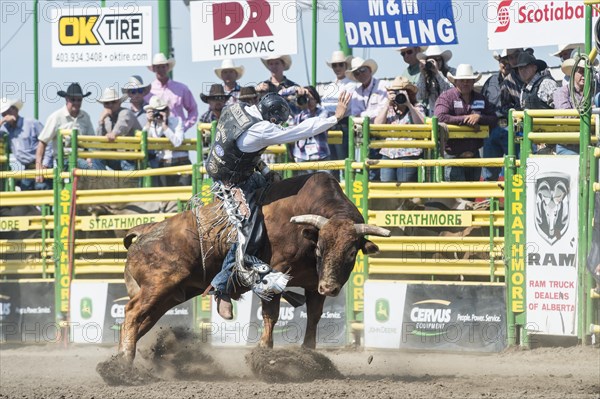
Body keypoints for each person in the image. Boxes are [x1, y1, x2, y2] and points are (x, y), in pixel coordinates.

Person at [204, 91, 352, 319]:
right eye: (277, 121)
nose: (278, 124)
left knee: (278, 197)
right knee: (249, 230)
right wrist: (335, 118)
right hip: (233, 182)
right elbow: (300, 131)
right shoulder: (262, 129)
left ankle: (267, 267)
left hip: (232, 170)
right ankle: (221, 288)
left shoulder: (238, 108)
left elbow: (239, 147)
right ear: (272, 118)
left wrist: (264, 170)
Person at [434, 64, 497, 182]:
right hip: (453, 154)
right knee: (458, 196)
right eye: (462, 80)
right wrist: (466, 119)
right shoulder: (447, 97)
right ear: (455, 82)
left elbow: (493, 119)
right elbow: (440, 116)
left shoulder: (480, 98)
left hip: (474, 155)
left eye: (468, 80)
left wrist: (479, 117)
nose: (465, 83)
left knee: (470, 196)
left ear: (473, 82)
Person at [35, 83, 102, 184]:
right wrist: (38, 168)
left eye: (79, 100)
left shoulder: (85, 117)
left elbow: (91, 141)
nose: (76, 102)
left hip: (82, 158)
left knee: (99, 165)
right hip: (65, 160)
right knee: (95, 170)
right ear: (66, 99)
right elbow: (42, 142)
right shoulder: (56, 117)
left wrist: (89, 157)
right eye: (73, 99)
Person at [373, 77, 425, 183]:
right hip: (388, 153)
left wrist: (408, 104)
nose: (398, 94)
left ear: (409, 93)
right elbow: (377, 124)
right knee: (387, 187)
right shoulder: (389, 109)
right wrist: (388, 103)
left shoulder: (416, 107)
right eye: (395, 92)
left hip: (409, 154)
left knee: (405, 188)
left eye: (402, 92)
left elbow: (421, 124)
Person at [346, 57, 389, 181]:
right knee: (364, 169)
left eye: (362, 70)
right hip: (363, 136)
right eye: (356, 72)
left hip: (381, 135)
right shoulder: (357, 92)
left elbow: (383, 110)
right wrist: (371, 115)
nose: (360, 74)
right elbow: (355, 115)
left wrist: (363, 115)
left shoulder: (383, 86)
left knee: (379, 169)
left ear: (370, 70)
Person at [318, 50, 357, 170]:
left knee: (343, 160)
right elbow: (329, 105)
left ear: (346, 66)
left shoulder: (351, 84)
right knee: (333, 161)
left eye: (340, 64)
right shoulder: (333, 85)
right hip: (332, 125)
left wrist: (331, 106)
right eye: (335, 65)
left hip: (343, 124)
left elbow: (344, 105)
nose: (337, 68)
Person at [0, 98, 51, 190]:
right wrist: (2, 122)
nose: (6, 115)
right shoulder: (5, 129)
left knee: (41, 189)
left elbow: (48, 142)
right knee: (26, 192)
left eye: (8, 111)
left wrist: (44, 166)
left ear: (15, 109)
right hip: (28, 169)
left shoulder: (32, 123)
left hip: (42, 165)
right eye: (3, 114)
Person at [143, 96, 190, 186]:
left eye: (164, 109)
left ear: (168, 110)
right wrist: (148, 122)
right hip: (163, 163)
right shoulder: (152, 125)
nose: (161, 113)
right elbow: (143, 141)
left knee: (184, 197)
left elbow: (177, 142)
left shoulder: (177, 121)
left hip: (181, 163)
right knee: (165, 198)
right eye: (156, 111)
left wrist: (164, 126)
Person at [147, 53, 198, 133]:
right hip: (156, 134)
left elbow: (193, 109)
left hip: (176, 132)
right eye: (158, 67)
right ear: (154, 69)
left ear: (167, 67)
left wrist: (184, 127)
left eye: (163, 67)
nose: (161, 70)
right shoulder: (149, 90)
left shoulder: (181, 89)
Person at [482, 50, 513, 181]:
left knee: (514, 166)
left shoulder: (519, 79)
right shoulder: (490, 81)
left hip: (512, 127)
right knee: (490, 168)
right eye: (502, 61)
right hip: (493, 126)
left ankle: (516, 199)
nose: (504, 64)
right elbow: (482, 101)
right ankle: (490, 200)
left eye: (507, 60)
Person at [553, 57, 595, 155]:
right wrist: (587, 112)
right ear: (572, 73)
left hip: (591, 143)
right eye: (581, 71)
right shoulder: (561, 92)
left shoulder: (594, 91)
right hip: (568, 145)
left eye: (587, 71)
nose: (584, 75)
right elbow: (563, 116)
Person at [96, 87, 142, 171]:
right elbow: (99, 142)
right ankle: (101, 181)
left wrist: (114, 134)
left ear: (119, 102)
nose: (110, 105)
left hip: (131, 159)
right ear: (104, 105)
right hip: (116, 157)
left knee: (130, 179)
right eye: (107, 103)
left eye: (113, 102)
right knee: (96, 159)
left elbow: (122, 124)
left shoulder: (126, 113)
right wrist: (101, 121)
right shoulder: (105, 119)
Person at [290, 86, 331, 173]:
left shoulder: (323, 112)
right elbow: (279, 95)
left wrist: (305, 110)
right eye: (306, 98)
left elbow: (314, 126)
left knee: (324, 185)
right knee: (304, 186)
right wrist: (295, 90)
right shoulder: (297, 113)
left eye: (311, 99)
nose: (308, 102)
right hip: (302, 155)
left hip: (321, 155)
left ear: (316, 99)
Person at [416, 46, 455, 115]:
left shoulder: (452, 72)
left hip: (450, 113)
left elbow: (449, 92)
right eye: (431, 61)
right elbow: (420, 96)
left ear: (443, 60)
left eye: (437, 59)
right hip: (434, 115)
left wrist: (437, 73)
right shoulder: (426, 75)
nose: (434, 63)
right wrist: (422, 74)